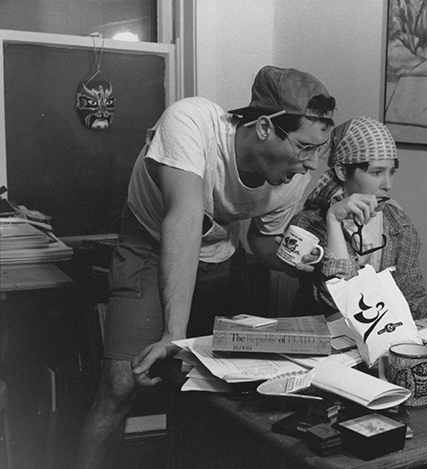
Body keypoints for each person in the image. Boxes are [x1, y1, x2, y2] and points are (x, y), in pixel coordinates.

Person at [76, 65, 336, 469]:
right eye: (305, 148)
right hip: (150, 244)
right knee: (121, 384)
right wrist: (173, 335)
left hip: (218, 255)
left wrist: (297, 265)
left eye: (320, 151)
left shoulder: (292, 176)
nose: (311, 164)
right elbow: (181, 220)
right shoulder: (191, 121)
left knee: (222, 390)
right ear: (265, 127)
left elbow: (260, 242)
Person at [288, 116, 427, 320]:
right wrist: (333, 220)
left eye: (391, 172)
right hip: (322, 341)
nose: (387, 184)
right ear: (342, 171)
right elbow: (341, 300)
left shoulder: (396, 224)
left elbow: (408, 297)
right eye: (376, 173)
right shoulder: (309, 224)